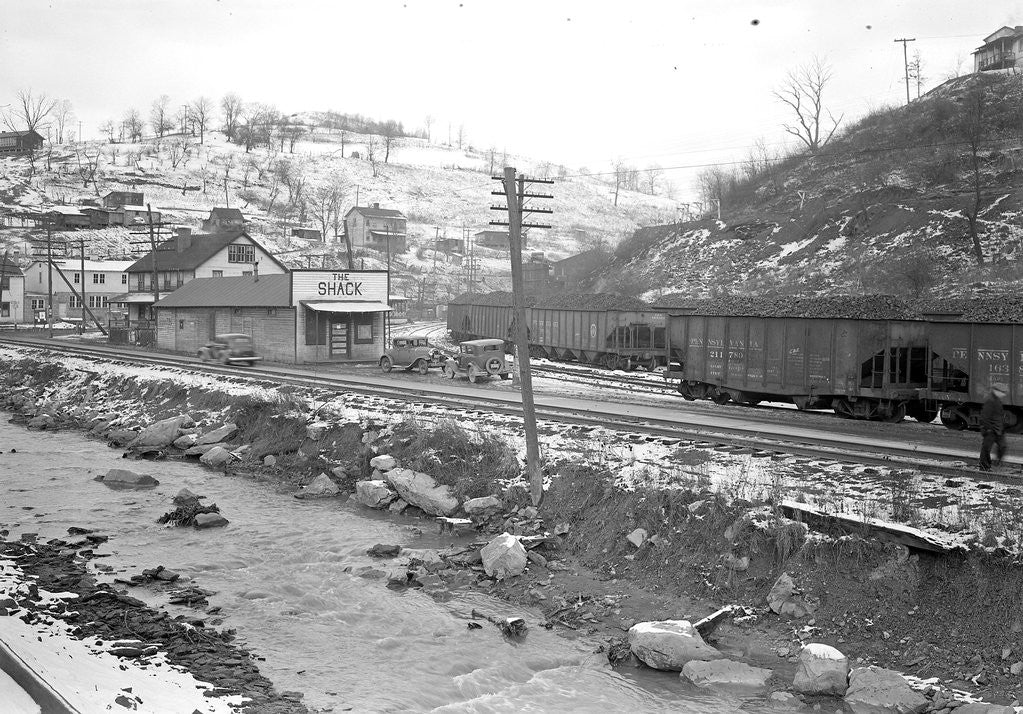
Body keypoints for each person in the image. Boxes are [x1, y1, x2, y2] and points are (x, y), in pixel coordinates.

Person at [979, 384, 1008, 471]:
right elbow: (984, 417)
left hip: (998, 429)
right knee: (986, 449)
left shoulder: (997, 400)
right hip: (991, 429)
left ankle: (997, 463)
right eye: (1002, 392)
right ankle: (984, 467)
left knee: (1003, 446)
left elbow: (999, 415)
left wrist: (1002, 427)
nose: (1004, 394)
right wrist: (988, 429)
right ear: (996, 391)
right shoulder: (990, 401)